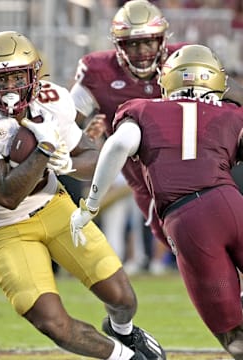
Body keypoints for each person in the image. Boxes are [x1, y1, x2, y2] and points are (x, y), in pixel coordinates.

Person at [0, 30, 165, 360]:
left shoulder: (54, 99)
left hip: (55, 206)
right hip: (4, 229)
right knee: (53, 322)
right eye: (0, 80)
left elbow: (93, 157)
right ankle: (125, 357)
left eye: (16, 77)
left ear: (33, 75)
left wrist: (66, 163)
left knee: (123, 300)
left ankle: (123, 331)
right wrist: (46, 149)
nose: (9, 89)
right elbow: (6, 195)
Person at [70, 44, 243, 359]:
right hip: (231, 204)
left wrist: (91, 205)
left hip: (188, 219)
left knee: (233, 332)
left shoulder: (143, 109)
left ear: (168, 80)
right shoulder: (232, 112)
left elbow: (118, 144)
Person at [70, 0, 182, 272]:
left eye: (148, 42)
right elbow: (67, 123)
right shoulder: (99, 71)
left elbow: (226, 101)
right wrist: (84, 136)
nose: (142, 51)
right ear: (119, 46)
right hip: (143, 186)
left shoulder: (183, 62)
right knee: (184, 251)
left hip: (192, 176)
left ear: (162, 40)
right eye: (132, 43)